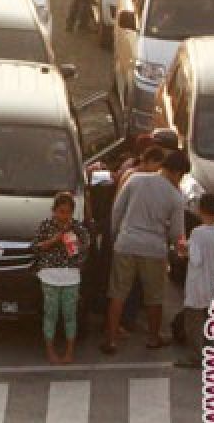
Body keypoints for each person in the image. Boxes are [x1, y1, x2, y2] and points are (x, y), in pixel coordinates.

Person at [101, 150, 188, 354]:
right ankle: (153, 338)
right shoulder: (175, 196)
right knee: (154, 296)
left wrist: (116, 236)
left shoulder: (135, 179)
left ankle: (111, 339)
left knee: (117, 293)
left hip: (126, 243)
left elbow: (117, 211)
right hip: (154, 249)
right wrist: (177, 248)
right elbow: (177, 233)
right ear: (177, 172)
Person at [35, 192, 90, 364]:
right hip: (49, 275)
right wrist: (55, 240)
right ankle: (50, 350)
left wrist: (74, 245)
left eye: (67, 212)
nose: (63, 216)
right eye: (60, 211)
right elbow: (36, 248)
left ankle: (69, 351)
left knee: (69, 315)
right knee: (50, 314)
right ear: (54, 211)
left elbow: (85, 249)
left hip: (71, 276)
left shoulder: (78, 228)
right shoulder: (46, 225)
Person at [176, 192, 214, 369]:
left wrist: (183, 249)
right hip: (213, 280)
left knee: (193, 323)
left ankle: (195, 356)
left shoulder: (197, 232)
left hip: (197, 284)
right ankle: (212, 352)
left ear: (200, 209)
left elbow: (196, 259)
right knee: (210, 318)